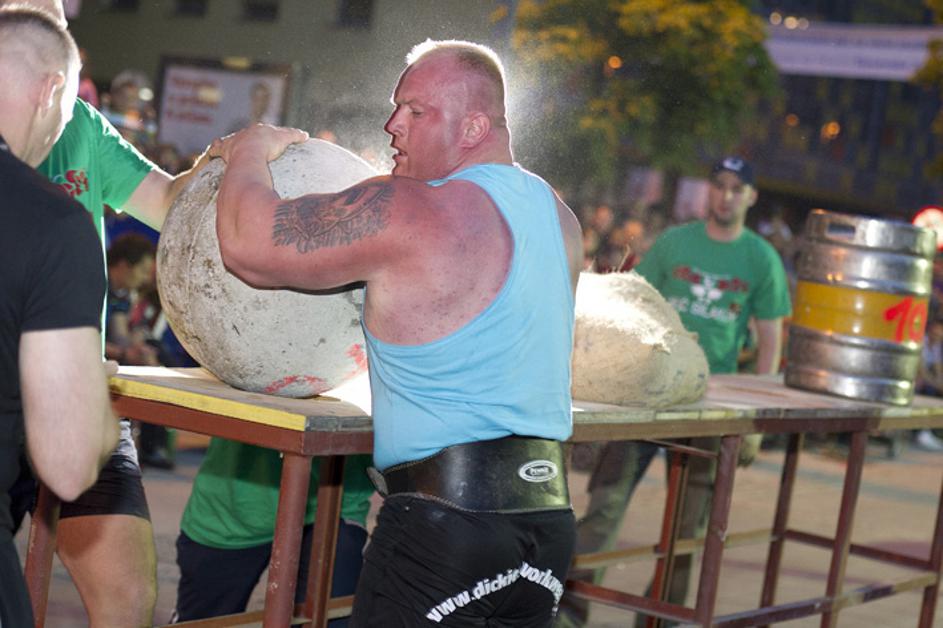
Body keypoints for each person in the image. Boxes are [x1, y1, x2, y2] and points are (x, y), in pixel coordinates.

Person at [213, 39, 583, 626]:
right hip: (547, 528)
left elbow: (246, 246)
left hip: (446, 531)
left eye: (416, 111)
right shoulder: (559, 217)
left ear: (474, 127)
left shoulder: (409, 208)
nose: (393, 125)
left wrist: (249, 149)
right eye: (395, 108)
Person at [557, 156, 791, 628]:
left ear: (751, 196)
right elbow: (633, 303)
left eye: (736, 188)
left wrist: (757, 422)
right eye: (719, 185)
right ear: (709, 190)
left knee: (686, 529)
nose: (726, 195)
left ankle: (658, 622)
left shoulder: (760, 258)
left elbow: (770, 338)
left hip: (712, 403)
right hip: (649, 392)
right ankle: (569, 613)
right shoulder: (675, 243)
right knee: (604, 507)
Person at [0, 7, 119, 625]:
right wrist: (92, 393)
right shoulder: (50, 223)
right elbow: (69, 466)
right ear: (50, 91)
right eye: (69, 112)